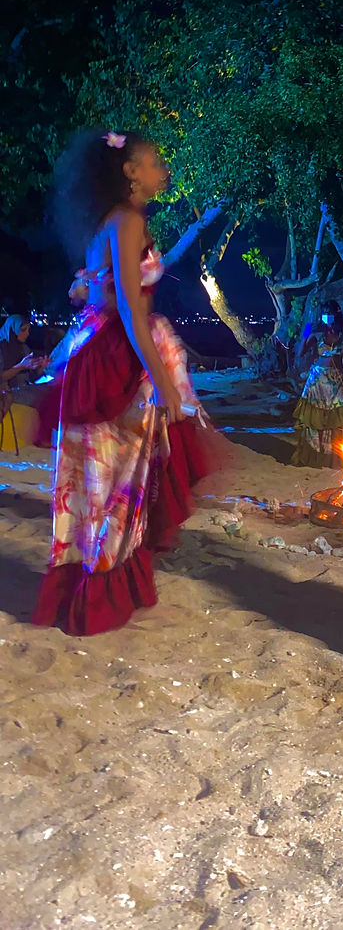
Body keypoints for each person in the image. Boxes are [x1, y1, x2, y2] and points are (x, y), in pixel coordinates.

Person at [32, 129, 217, 636]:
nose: (165, 171)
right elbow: (134, 315)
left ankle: (88, 589)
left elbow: (92, 288)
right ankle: (96, 598)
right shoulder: (129, 220)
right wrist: (163, 382)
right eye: (156, 162)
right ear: (130, 172)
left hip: (96, 353)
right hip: (116, 359)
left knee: (99, 485)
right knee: (115, 486)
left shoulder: (111, 222)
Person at [290, 305, 343, 468]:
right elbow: (300, 352)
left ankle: (335, 454)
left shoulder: (342, 337)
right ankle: (315, 453)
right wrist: (305, 333)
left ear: (336, 315)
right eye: (326, 313)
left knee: (339, 418)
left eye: (331, 313)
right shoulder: (316, 334)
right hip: (318, 381)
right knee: (315, 418)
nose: (328, 316)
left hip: (336, 380)